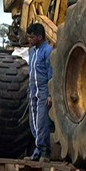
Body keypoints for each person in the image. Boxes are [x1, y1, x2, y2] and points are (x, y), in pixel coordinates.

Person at [26, 22, 54, 161]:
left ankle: (44, 152)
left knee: (42, 121)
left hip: (43, 90)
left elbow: (51, 72)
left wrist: (50, 94)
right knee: (33, 122)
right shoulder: (32, 52)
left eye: (31, 37)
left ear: (39, 37)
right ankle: (37, 150)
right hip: (33, 91)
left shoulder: (47, 51)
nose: (29, 40)